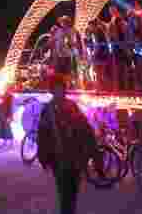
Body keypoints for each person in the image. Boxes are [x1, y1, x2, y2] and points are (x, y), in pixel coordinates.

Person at [36, 75, 97, 214]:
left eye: (61, 88)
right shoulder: (48, 110)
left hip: (75, 157)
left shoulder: (72, 106)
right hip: (59, 159)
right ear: (52, 90)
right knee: (64, 193)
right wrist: (44, 157)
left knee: (73, 191)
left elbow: (85, 128)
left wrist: (92, 149)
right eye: (56, 88)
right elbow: (43, 135)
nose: (59, 91)